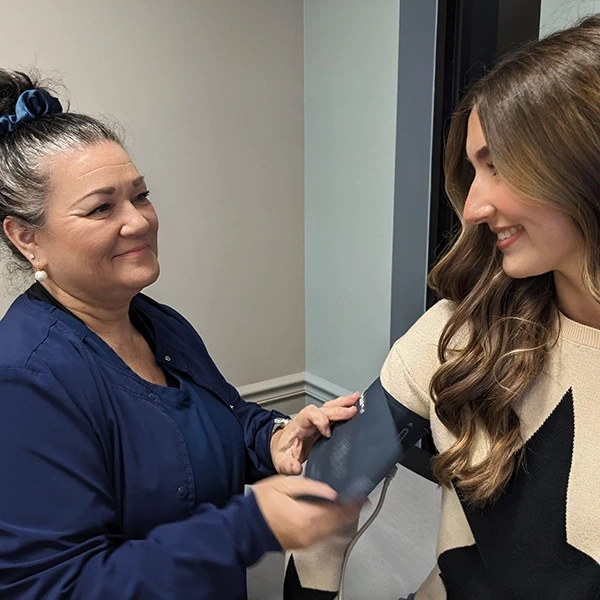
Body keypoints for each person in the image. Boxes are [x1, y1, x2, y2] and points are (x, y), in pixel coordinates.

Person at [0, 69, 364, 600]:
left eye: (141, 195)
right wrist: (250, 525)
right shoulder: (25, 382)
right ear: (27, 238)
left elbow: (225, 419)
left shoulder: (154, 321)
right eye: (102, 208)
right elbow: (57, 586)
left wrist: (276, 438)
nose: (139, 221)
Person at [285, 14, 600, 600]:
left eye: (498, 165)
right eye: (473, 169)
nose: (473, 207)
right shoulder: (457, 336)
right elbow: (323, 495)